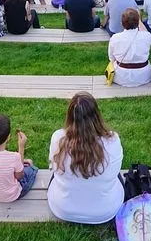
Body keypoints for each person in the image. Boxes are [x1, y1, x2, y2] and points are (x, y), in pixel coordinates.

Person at [47, 92, 124, 224]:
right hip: (105, 210)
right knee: (118, 176)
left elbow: (54, 168)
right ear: (97, 115)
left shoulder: (58, 138)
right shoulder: (113, 140)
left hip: (63, 209)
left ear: (70, 116)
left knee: (56, 172)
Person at [0, 114, 38, 203]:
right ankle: (31, 166)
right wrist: (21, 147)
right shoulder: (14, 157)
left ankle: (25, 163)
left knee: (21, 165)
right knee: (32, 169)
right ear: (8, 137)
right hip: (11, 195)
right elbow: (19, 176)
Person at [107, 8, 151, 87]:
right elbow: (147, 34)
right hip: (143, 76)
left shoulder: (115, 38)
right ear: (138, 22)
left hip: (121, 77)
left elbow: (111, 59)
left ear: (122, 23)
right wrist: (139, 20)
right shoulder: (146, 36)